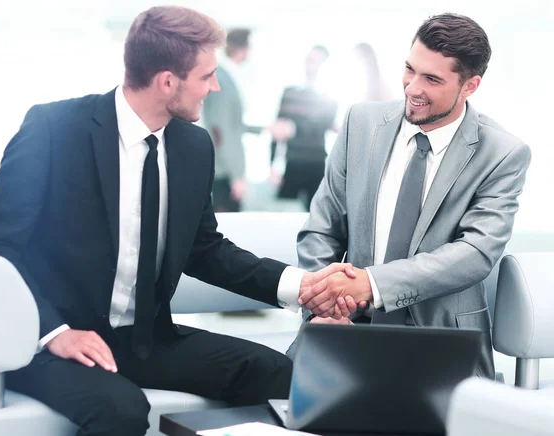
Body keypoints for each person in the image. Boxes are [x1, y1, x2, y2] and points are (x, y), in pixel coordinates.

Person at [0, 6, 350, 436]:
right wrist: (54, 331)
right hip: (52, 341)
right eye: (207, 76)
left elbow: (205, 250)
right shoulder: (54, 129)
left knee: (278, 372)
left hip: (145, 338)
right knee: (123, 409)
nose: (215, 86)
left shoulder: (193, 145)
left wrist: (304, 287)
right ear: (168, 81)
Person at [287, 12, 531, 380]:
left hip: (442, 342)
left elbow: (476, 253)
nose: (412, 88)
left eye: (432, 79)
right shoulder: (360, 123)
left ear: (470, 85)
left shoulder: (502, 153)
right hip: (343, 325)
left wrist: (371, 283)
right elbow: (321, 229)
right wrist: (323, 305)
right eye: (410, 69)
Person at [270, 45, 338, 211]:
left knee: (315, 216)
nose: (311, 65)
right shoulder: (289, 93)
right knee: (284, 217)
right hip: (291, 163)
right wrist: (272, 166)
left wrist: (294, 128)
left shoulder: (329, 98)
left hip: (316, 166)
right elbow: (277, 131)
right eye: (309, 60)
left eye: (316, 61)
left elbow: (321, 125)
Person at [202, 28, 257, 212]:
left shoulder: (226, 76)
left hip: (223, 168)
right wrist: (237, 175)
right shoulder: (222, 79)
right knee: (227, 230)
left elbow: (233, 125)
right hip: (225, 171)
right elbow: (222, 130)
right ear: (243, 48)